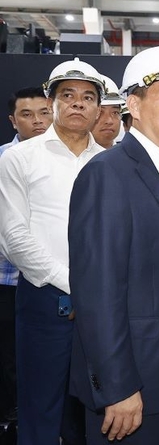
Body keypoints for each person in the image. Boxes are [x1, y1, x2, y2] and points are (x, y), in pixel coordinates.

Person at [68, 44, 159, 444]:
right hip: (138, 379)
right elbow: (97, 293)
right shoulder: (107, 174)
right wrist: (117, 386)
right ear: (133, 103)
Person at [0, 59, 106, 445]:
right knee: (41, 404)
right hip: (44, 300)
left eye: (88, 97)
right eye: (68, 96)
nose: (78, 104)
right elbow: (13, 236)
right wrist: (74, 284)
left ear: (99, 107)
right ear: (53, 103)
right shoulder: (19, 158)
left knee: (97, 405)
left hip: (104, 302)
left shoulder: (110, 163)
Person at [0, 86, 53, 423]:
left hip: (56, 281)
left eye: (44, 113)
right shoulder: (3, 158)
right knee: (11, 359)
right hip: (8, 279)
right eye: (27, 114)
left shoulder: (68, 157)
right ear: (12, 120)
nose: (37, 121)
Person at [91, 75, 125, 149]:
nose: (109, 121)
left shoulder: (131, 157)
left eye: (115, 112)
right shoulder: (65, 157)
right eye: (100, 112)